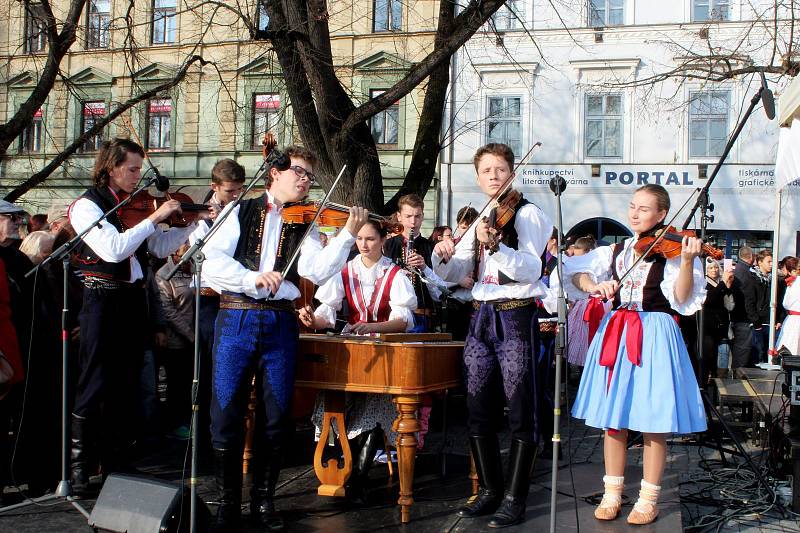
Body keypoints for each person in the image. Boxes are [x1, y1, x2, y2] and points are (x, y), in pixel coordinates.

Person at [201, 145, 368, 532]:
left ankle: (263, 501)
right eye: (299, 172)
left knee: (276, 418)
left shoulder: (302, 222)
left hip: (279, 324)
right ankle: (228, 505)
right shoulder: (240, 209)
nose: (306, 180)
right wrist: (251, 278)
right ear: (275, 173)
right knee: (226, 413)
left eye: (310, 175)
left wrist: (345, 235)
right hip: (237, 318)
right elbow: (213, 262)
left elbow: (318, 271)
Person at [67, 138, 207, 497]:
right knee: (95, 381)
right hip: (101, 299)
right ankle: (81, 469)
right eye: (131, 169)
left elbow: (157, 248)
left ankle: (115, 459)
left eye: (139, 170)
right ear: (110, 167)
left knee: (127, 382)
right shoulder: (86, 206)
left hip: (132, 301)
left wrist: (193, 224)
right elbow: (113, 249)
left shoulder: (137, 206)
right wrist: (155, 217)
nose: (137, 177)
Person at [565, 184, 706, 525]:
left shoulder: (672, 251)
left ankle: (648, 498)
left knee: (652, 422)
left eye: (644, 209)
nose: (635, 213)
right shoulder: (618, 249)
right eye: (632, 206)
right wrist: (593, 286)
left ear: (661, 215)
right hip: (617, 329)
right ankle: (612, 492)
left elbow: (683, 299)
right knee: (614, 420)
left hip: (655, 332)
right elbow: (573, 271)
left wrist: (686, 261)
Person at [433, 143, 553, 528]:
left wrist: (497, 249)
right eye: (486, 171)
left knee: (521, 407)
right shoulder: (484, 213)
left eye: (500, 169)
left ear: (512, 172)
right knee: (477, 405)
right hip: (482, 316)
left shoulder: (529, 213)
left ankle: (515, 497)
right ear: (479, 176)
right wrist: (444, 255)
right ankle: (488, 490)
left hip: (516, 315)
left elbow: (533, 269)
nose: (494, 177)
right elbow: (457, 273)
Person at [299, 220, 417, 503]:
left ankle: (358, 479)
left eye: (371, 239)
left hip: (382, 351)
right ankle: (340, 469)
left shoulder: (395, 274)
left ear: (383, 240)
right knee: (335, 400)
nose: (364, 244)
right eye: (360, 239)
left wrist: (373, 328)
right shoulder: (345, 271)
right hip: (352, 350)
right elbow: (327, 315)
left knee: (374, 403)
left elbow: (404, 320)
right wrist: (311, 319)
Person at [188, 158, 247, 450]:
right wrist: (209, 222)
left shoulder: (241, 212)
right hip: (209, 299)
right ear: (214, 187)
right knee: (208, 367)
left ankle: (225, 432)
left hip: (236, 299)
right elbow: (200, 254)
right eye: (229, 192)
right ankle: (202, 436)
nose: (235, 197)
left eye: (239, 191)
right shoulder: (202, 217)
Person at [384, 194, 443, 332]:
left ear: (422, 217)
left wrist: (424, 267)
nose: (413, 222)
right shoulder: (387, 245)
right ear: (399, 217)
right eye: (408, 216)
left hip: (422, 314)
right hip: (393, 315)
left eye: (417, 216)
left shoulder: (432, 247)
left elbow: (439, 292)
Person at [155, 244, 195, 438]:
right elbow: (168, 311)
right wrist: (190, 335)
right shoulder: (164, 275)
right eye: (184, 243)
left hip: (201, 337)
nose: (188, 245)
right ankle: (177, 424)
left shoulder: (198, 268)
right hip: (178, 341)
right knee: (179, 383)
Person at [564, 236, 611, 368]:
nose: (579, 260)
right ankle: (582, 370)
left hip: (605, 303)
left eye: (582, 256)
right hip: (587, 303)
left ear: (590, 251)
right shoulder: (577, 266)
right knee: (582, 341)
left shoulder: (601, 258)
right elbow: (578, 277)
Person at [702, 258, 734, 385]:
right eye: (710, 268)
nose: (714, 270)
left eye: (715, 267)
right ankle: (712, 379)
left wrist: (727, 286)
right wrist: (723, 285)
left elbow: (729, 304)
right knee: (712, 355)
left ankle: (721, 377)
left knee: (723, 353)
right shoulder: (705, 283)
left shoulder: (721, 282)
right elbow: (710, 299)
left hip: (722, 325)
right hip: (710, 326)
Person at [745, 249, 773, 364]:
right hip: (759, 323)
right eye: (769, 262)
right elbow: (749, 302)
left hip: (770, 321)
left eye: (772, 262)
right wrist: (756, 322)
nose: (771, 264)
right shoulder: (752, 278)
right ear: (760, 262)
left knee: (768, 353)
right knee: (758, 352)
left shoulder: (774, 279)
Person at [730, 246, 755, 369]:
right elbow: (749, 298)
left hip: (735, 315)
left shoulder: (737, 270)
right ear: (751, 257)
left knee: (739, 348)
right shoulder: (746, 273)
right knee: (742, 350)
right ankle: (738, 376)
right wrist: (753, 317)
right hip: (743, 317)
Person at [776, 274, 799, 355]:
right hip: (793, 318)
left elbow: (786, 303)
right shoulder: (793, 281)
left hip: (793, 320)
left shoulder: (794, 281)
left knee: (790, 346)